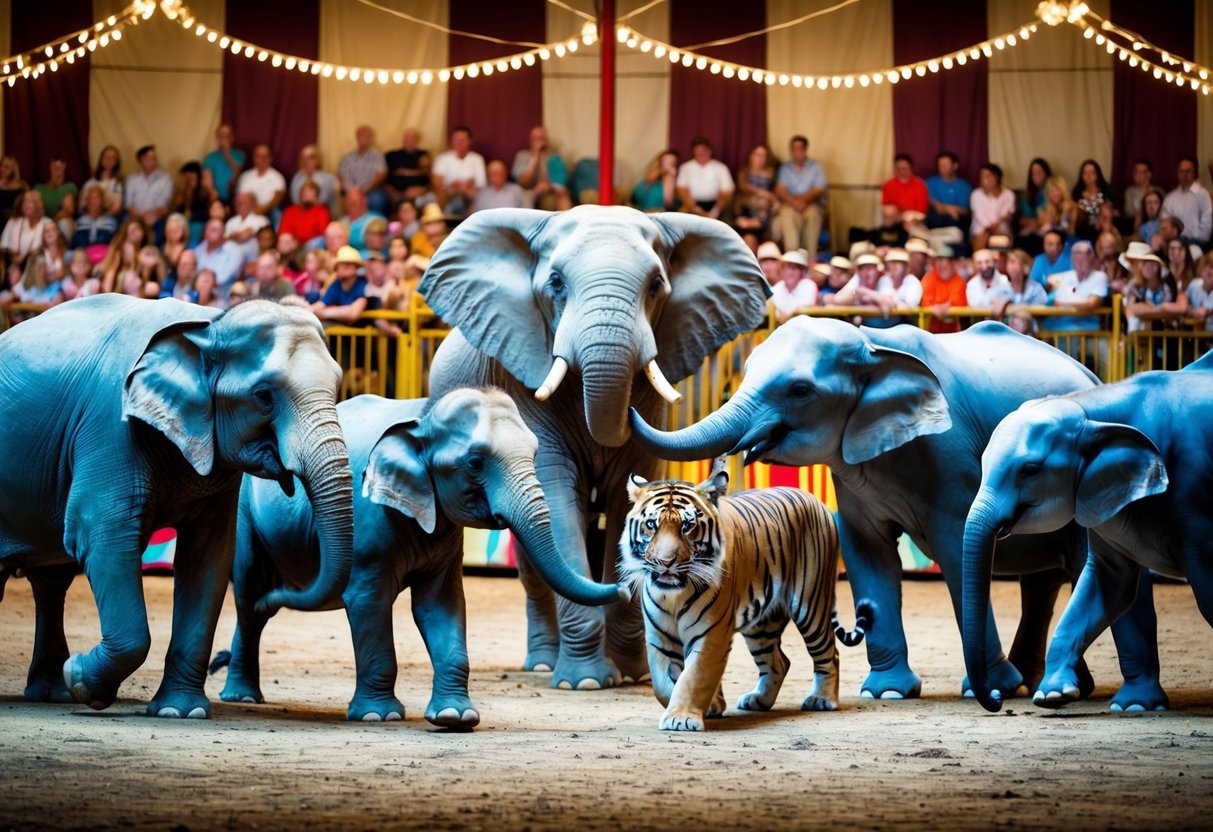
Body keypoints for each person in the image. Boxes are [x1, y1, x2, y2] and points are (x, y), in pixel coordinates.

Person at [773, 135, 827, 263]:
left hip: (811, 203)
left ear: (805, 149)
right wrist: (793, 202)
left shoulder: (816, 167)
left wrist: (803, 201)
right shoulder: (785, 168)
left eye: (799, 148)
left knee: (814, 214)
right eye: (794, 148)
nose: (797, 151)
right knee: (787, 214)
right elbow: (780, 189)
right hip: (790, 204)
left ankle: (810, 259)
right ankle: (792, 258)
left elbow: (818, 189)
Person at [1045, 239, 1109, 332]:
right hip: (1061, 326)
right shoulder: (1065, 276)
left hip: (1086, 328)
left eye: (1083, 257)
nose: (1078, 260)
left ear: (1091, 257)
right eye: (1075, 255)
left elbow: (1092, 303)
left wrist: (1062, 304)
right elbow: (1049, 281)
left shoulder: (1100, 277)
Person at [511, 125, 571, 211]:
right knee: (527, 197)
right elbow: (522, 182)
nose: (539, 141)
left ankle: (567, 222)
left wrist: (549, 186)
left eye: (541, 138)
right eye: (535, 138)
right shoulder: (522, 156)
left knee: (562, 196)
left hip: (550, 191)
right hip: (529, 191)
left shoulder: (554, 158)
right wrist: (535, 158)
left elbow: (562, 183)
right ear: (530, 140)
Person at [431, 125, 485, 218]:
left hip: (470, 198)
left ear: (469, 141)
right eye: (455, 139)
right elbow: (437, 184)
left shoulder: (477, 159)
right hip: (446, 197)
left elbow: (480, 185)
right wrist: (457, 186)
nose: (458, 143)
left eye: (462, 140)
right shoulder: (442, 159)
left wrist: (457, 186)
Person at [1123, 244, 1179, 333]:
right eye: (1145, 264)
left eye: (1152, 264)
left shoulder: (1167, 284)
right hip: (1142, 333)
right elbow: (1131, 308)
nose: (1148, 268)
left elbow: (1172, 308)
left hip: (1166, 332)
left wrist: (1148, 310)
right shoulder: (1137, 286)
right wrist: (1158, 310)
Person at [829, 253, 896, 326]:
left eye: (871, 268)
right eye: (863, 268)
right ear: (858, 271)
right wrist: (856, 295)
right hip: (866, 325)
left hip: (886, 326)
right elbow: (837, 300)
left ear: (877, 270)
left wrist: (863, 291)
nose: (868, 272)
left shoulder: (883, 278)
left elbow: (889, 303)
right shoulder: (857, 278)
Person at [675, 137, 734, 221]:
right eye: (698, 151)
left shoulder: (721, 167)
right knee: (679, 219)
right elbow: (682, 190)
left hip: (717, 205)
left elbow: (726, 192)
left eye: (704, 150)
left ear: (710, 151)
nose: (701, 153)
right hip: (692, 205)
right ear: (694, 152)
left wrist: (715, 211)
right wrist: (696, 210)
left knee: (727, 220)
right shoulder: (685, 167)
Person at [733, 144, 778, 248]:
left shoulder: (771, 173)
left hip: (763, 213)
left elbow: (774, 197)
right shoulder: (744, 171)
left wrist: (769, 199)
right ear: (752, 156)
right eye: (757, 155)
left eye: (763, 156)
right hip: (746, 209)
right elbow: (743, 187)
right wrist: (762, 193)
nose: (760, 158)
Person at [125, 145, 173, 242]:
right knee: (126, 226)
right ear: (142, 160)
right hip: (136, 218)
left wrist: (153, 216)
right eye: (151, 158)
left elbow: (165, 207)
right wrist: (140, 216)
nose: (155, 160)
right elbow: (129, 205)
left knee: (160, 230)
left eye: (155, 158)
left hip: (156, 218)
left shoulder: (166, 179)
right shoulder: (132, 179)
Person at [991, 248, 1046, 333]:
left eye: (1014, 262)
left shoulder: (1036, 289)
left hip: (1031, 339)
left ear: (1025, 266)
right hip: (1005, 338)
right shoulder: (999, 290)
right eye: (1009, 262)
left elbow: (1042, 312)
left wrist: (1015, 309)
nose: (1011, 266)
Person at [1162, 156, 1212, 249]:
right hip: (1175, 241)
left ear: (1194, 173)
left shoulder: (1202, 194)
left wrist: (1199, 240)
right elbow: (1165, 221)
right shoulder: (1170, 197)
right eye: (1182, 171)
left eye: (1188, 171)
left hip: (1196, 242)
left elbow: (1207, 221)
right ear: (1177, 173)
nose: (1184, 174)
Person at [310, 245, 367, 324]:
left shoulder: (362, 284)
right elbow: (319, 305)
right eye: (340, 265)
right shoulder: (336, 284)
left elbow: (353, 313)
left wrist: (324, 313)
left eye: (348, 264)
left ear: (355, 267)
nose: (342, 268)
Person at [339, 125, 389, 215]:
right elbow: (343, 178)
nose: (363, 139)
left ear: (370, 139)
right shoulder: (347, 157)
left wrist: (366, 190)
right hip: (352, 190)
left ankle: (376, 226)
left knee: (377, 200)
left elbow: (381, 175)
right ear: (356, 137)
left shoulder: (377, 156)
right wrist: (353, 191)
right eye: (360, 136)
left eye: (366, 136)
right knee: (350, 201)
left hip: (371, 190)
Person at [920, 244, 968, 333]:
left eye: (945, 261)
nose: (941, 265)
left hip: (953, 335)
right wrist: (938, 308)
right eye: (938, 260)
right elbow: (925, 302)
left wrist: (945, 306)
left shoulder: (959, 281)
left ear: (954, 264)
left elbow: (959, 303)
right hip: (929, 333)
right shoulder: (929, 278)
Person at [193, 217, 245, 299]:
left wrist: (205, 282)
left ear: (223, 233)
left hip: (224, 299)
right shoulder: (199, 249)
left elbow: (223, 279)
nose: (210, 232)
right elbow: (192, 275)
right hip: (198, 297)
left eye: (214, 230)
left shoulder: (234, 251)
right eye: (208, 229)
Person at [1, 190, 54, 269]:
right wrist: (14, 256)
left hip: (37, 265)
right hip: (11, 263)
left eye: (30, 202)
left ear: (38, 205)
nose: (26, 205)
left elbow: (51, 247)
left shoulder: (47, 223)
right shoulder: (14, 221)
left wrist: (24, 258)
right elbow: (3, 246)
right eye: (24, 202)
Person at [384, 128, 434, 210]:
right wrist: (393, 192)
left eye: (412, 138)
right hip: (396, 193)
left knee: (430, 199)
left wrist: (422, 189)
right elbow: (384, 179)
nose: (409, 140)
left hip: (418, 194)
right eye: (406, 137)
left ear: (417, 140)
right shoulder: (392, 155)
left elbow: (430, 177)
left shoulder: (424, 155)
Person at [969, 163, 1014, 253]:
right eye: (982, 177)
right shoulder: (976, 194)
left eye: (987, 176)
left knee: (1003, 239)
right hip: (981, 229)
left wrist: (995, 227)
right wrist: (989, 227)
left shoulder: (1008, 194)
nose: (983, 180)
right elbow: (979, 215)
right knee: (983, 235)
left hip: (1001, 229)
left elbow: (1007, 213)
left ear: (996, 177)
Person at [236, 144, 286, 221]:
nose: (262, 159)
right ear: (254, 158)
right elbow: (238, 197)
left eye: (265, 156)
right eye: (258, 156)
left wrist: (262, 209)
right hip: (245, 212)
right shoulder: (245, 176)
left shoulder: (278, 178)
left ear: (271, 158)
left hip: (267, 213)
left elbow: (277, 199)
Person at [1072, 159, 1116, 242]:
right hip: (1083, 229)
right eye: (1085, 173)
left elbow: (1114, 210)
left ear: (1098, 174)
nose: (1089, 175)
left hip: (1102, 228)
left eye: (1092, 172)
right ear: (1082, 175)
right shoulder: (1077, 192)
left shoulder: (1107, 190)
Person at [925, 151, 971, 231]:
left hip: (956, 222)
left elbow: (964, 210)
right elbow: (933, 205)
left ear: (955, 166)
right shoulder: (930, 183)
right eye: (940, 166)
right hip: (934, 223)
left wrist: (943, 207)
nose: (942, 169)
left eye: (945, 166)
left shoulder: (964, 186)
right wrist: (949, 209)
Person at [881, 153, 929, 227]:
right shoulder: (888, 185)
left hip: (914, 218)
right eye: (898, 169)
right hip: (895, 218)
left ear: (910, 169)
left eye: (904, 169)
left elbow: (922, 212)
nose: (901, 172)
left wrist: (909, 216)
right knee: (888, 213)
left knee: (910, 223)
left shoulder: (920, 185)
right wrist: (898, 216)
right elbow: (886, 207)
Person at [71, 185, 118, 260]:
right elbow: (75, 245)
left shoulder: (111, 221)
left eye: (96, 198)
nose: (93, 201)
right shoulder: (80, 221)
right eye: (90, 198)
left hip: (103, 259)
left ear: (102, 200)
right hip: (82, 260)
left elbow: (113, 245)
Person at [279, 180, 331, 248]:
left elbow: (323, 234)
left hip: (311, 247)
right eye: (304, 192)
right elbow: (283, 231)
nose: (306, 195)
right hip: (291, 245)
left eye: (310, 192)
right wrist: (293, 242)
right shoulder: (290, 211)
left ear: (316, 195)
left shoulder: (322, 211)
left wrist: (303, 243)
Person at [769, 249, 817, 322]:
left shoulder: (808, 285)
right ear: (781, 271)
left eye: (794, 268)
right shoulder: (777, 287)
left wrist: (786, 315)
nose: (790, 272)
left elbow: (806, 306)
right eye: (786, 268)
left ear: (801, 271)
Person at [35, 156, 77, 238]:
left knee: (64, 223)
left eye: (60, 166)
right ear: (50, 167)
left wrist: (51, 223)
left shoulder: (69, 187)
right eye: (54, 166)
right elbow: (36, 208)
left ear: (64, 167)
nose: (57, 168)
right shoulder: (39, 188)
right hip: (41, 221)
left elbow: (67, 211)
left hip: (58, 223)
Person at [202, 124, 245, 204]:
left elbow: (237, 171)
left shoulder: (239, 154)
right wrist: (212, 192)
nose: (223, 138)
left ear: (232, 137)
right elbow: (206, 177)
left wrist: (227, 153)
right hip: (215, 197)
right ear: (217, 138)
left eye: (226, 135)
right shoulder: (210, 157)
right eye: (220, 136)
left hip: (234, 197)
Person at [174, 161, 214, 244]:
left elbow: (207, 210)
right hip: (182, 224)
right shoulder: (181, 193)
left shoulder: (204, 192)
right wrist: (185, 190)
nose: (187, 179)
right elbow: (177, 208)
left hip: (198, 224)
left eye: (191, 176)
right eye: (185, 176)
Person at [225, 191, 270, 265]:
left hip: (254, 261)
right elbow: (224, 240)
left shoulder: (262, 220)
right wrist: (235, 236)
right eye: (238, 202)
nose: (240, 205)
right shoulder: (231, 222)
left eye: (245, 202)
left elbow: (266, 242)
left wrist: (234, 236)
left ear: (252, 204)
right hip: (231, 259)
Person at [1015, 157, 1052, 246]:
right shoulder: (1026, 195)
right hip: (1030, 227)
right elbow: (1022, 219)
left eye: (1039, 173)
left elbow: (1049, 216)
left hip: (1046, 227)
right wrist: (1033, 222)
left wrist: (1038, 222)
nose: (1036, 176)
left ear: (1046, 173)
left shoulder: (1052, 191)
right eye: (1033, 174)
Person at [290, 144, 338, 209]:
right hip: (301, 212)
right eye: (303, 158)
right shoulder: (297, 178)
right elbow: (295, 200)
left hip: (320, 212)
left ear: (317, 160)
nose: (305, 161)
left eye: (309, 158)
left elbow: (328, 201)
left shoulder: (327, 178)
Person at [632, 148, 680, 212]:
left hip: (655, 210)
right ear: (660, 161)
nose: (667, 165)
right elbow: (650, 179)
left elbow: (668, 201)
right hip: (641, 207)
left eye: (671, 162)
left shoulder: (670, 177)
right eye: (665, 161)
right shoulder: (652, 173)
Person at [1036, 175, 1078, 242]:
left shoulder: (1072, 206)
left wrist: (1065, 213)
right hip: (1050, 241)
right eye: (1052, 191)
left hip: (1069, 239)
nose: (1055, 194)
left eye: (1058, 190)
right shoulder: (1045, 209)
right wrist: (1048, 224)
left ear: (1063, 191)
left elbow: (1070, 231)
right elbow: (1041, 233)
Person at [1185, 252, 1213, 330]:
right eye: (1206, 267)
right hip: (1197, 335)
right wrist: (1193, 311)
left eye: (1211, 267)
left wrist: (1207, 311)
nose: (1208, 271)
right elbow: (1184, 305)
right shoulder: (1194, 285)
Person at [1123, 159, 1153, 225]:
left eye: (1141, 172)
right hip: (1135, 224)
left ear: (1149, 174)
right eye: (1136, 172)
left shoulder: (1157, 191)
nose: (1137, 175)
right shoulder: (1130, 191)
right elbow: (1129, 212)